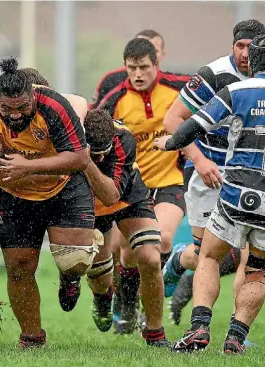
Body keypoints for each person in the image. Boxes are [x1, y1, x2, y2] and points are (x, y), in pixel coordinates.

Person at [154, 34, 265, 354]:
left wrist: (169, 143)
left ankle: (199, 329)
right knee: (257, 271)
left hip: (237, 194)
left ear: (253, 61)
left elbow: (194, 126)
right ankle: (236, 337)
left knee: (209, 256)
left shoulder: (236, 90)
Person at [0, 57, 95, 348]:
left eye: (22, 108)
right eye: (7, 109)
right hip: (15, 196)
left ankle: (70, 280)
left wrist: (27, 166)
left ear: (33, 96)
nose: (14, 115)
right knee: (20, 267)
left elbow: (79, 158)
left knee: (75, 262)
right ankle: (32, 338)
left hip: (63, 187)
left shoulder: (55, 106)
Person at [161, 19, 265, 322]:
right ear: (232, 46)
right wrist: (200, 160)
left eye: (252, 47)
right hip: (206, 170)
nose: (246, 53)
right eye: (240, 46)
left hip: (247, 174)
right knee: (204, 255)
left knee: (249, 257)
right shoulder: (213, 74)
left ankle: (239, 331)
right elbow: (173, 120)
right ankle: (180, 260)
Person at [97, 37, 189, 333]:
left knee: (161, 239)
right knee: (127, 253)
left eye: (144, 67)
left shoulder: (178, 89)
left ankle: (157, 291)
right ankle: (127, 308)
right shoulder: (114, 99)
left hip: (169, 181)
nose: (137, 74)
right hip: (131, 187)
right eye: (131, 68)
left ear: (156, 65)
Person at [82, 109, 170, 347]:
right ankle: (102, 297)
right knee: (98, 274)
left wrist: (87, 160)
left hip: (125, 195)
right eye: (95, 154)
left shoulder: (124, 138)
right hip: (88, 203)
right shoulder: (69, 137)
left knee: (150, 258)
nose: (100, 160)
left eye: (104, 154)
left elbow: (112, 196)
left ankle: (155, 332)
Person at [90, 29, 186, 109]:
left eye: (154, 50)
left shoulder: (178, 85)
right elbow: (95, 117)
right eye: (132, 68)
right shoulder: (112, 82)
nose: (138, 74)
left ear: (162, 55)